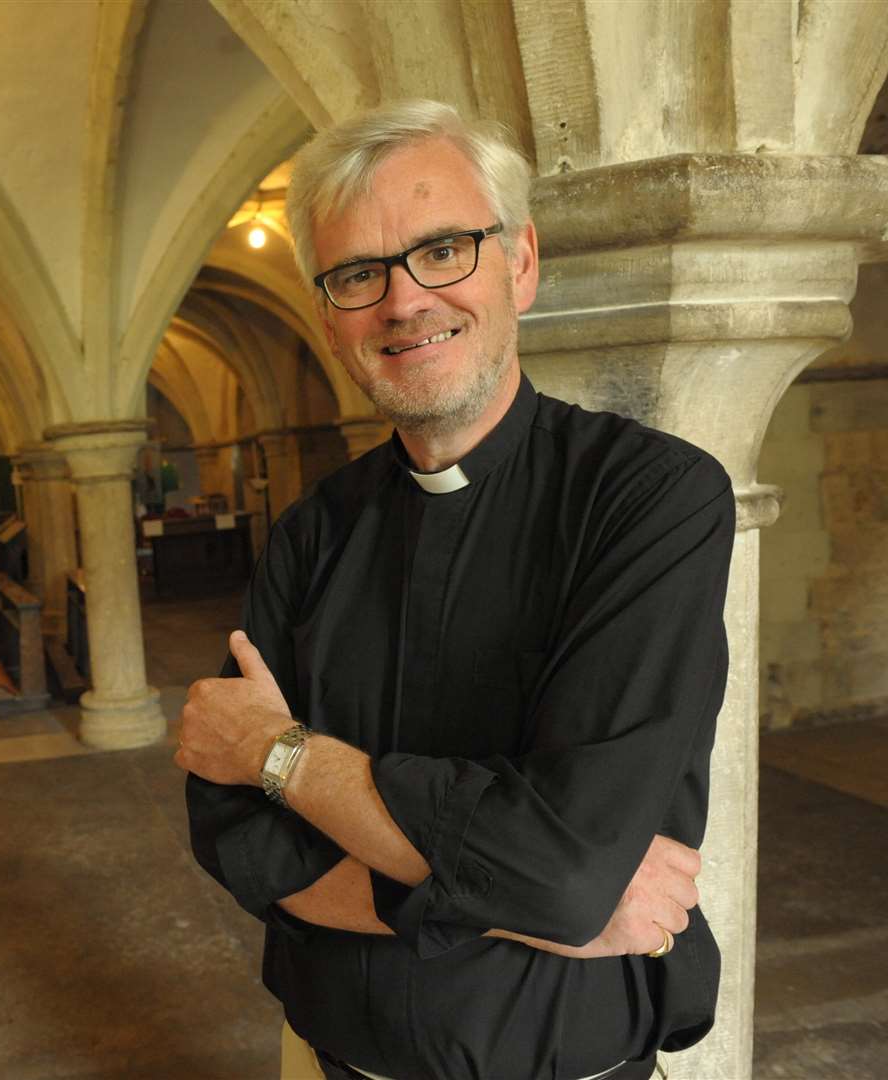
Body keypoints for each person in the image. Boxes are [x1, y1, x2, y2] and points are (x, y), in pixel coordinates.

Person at [177, 100, 733, 1080]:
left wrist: (276, 751)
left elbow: (561, 868)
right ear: (327, 315)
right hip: (326, 1058)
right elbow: (237, 841)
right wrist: (526, 903)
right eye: (358, 273)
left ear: (518, 262)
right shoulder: (312, 534)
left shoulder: (651, 498)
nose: (403, 302)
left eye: (443, 250)